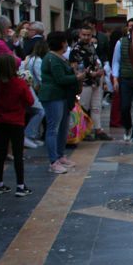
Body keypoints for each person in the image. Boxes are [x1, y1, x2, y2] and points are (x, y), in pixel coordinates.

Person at [40, 31, 85, 174]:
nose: (67, 44)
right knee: (53, 128)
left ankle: (60, 155)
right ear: (60, 43)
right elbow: (60, 78)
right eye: (65, 42)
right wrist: (77, 77)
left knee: (63, 127)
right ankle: (53, 161)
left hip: (63, 97)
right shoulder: (52, 58)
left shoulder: (59, 57)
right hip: (54, 97)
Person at [0, 53, 33, 197]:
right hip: (17, 121)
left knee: (1, 153)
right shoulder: (19, 83)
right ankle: (20, 186)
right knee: (17, 153)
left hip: (1, 120)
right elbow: (30, 101)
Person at [71, 26, 111, 141]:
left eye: (88, 35)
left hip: (96, 81)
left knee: (96, 106)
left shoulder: (91, 47)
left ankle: (97, 129)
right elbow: (75, 68)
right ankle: (84, 131)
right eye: (84, 35)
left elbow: (95, 61)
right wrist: (90, 74)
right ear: (80, 35)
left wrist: (99, 71)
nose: (86, 37)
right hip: (84, 83)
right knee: (84, 107)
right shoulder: (76, 50)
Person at [21, 39, 48, 148]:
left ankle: (33, 135)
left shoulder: (31, 59)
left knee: (37, 112)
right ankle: (29, 134)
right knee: (40, 111)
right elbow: (41, 77)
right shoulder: (38, 61)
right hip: (33, 90)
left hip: (32, 89)